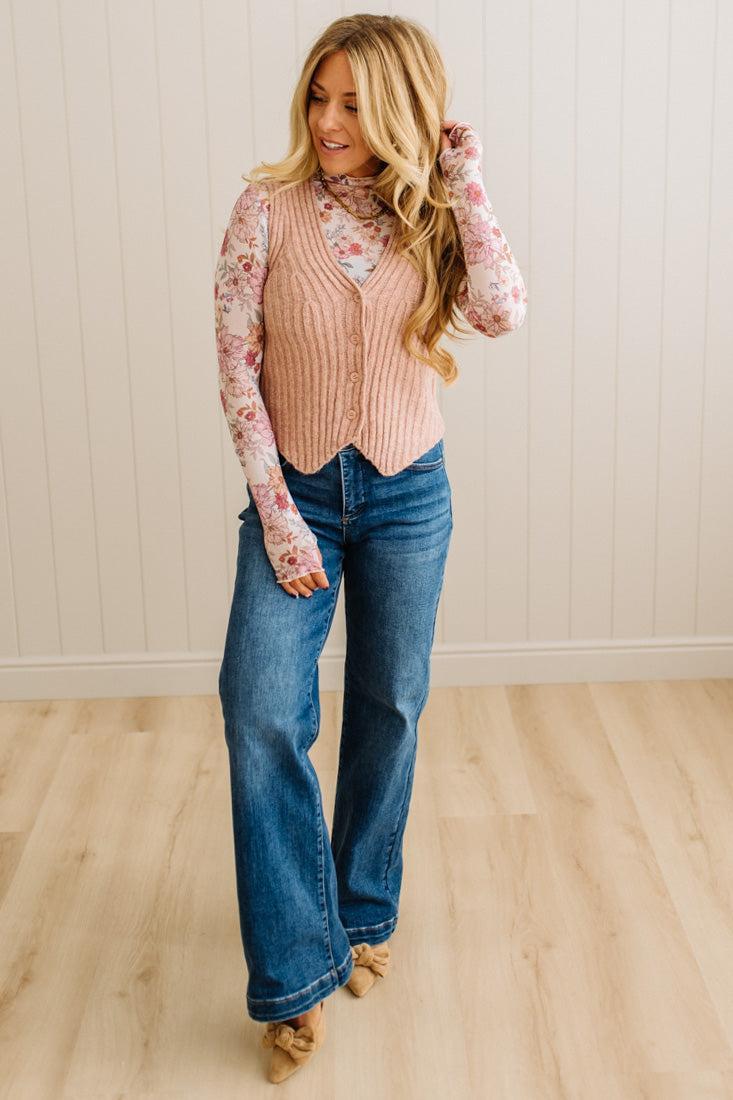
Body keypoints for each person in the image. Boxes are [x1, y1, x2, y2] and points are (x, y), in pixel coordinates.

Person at [214, 12, 526, 1083]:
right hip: (290, 490)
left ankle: (362, 906)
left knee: (390, 701)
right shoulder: (264, 209)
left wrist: (463, 177)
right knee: (260, 706)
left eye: (352, 101)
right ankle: (295, 970)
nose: (329, 120)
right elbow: (238, 375)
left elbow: (501, 311)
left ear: (396, 107)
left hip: (407, 493)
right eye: (318, 96)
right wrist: (278, 511)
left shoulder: (428, 215)